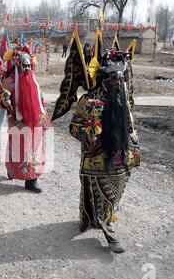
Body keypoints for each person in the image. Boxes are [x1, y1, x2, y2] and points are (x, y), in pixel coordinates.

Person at [52, 33, 141, 253]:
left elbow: (130, 125)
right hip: (96, 157)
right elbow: (74, 127)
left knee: (115, 193)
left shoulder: (122, 99)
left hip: (121, 155)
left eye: (121, 80)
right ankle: (109, 232)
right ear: (104, 79)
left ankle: (98, 218)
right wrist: (87, 134)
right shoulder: (89, 101)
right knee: (101, 192)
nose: (118, 83)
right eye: (114, 79)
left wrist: (134, 146)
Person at [0, 46, 50, 193]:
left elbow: (41, 100)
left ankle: (31, 180)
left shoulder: (34, 80)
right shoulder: (9, 82)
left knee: (35, 151)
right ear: (17, 64)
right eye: (24, 65)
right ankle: (12, 170)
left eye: (29, 65)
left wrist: (44, 119)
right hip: (18, 121)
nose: (26, 68)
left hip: (35, 121)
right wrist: (3, 101)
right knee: (18, 150)